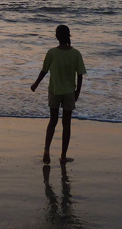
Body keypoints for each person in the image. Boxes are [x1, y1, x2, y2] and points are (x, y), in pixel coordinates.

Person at [31, 25, 86, 165]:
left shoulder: (51, 53)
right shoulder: (76, 53)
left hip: (54, 90)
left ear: (56, 36)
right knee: (66, 124)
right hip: (69, 93)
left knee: (53, 121)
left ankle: (47, 151)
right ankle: (63, 155)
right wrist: (77, 92)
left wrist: (36, 84)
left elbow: (44, 71)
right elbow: (80, 75)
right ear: (69, 36)